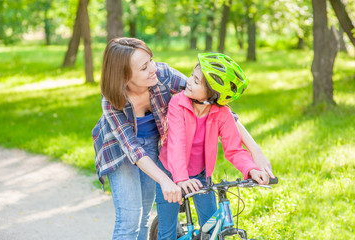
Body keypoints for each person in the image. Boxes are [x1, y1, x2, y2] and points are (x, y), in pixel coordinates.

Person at [92, 37, 273, 240]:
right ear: (124, 76)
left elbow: (219, 106)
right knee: (129, 219)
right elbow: (138, 148)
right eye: (144, 67)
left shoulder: (162, 75)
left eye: (151, 60)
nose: (153, 68)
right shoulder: (112, 100)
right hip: (120, 149)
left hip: (154, 144)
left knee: (143, 216)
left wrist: (254, 156)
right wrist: (170, 180)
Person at [155, 53, 270, 239]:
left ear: (212, 94)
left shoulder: (222, 114)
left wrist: (251, 170)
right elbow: (176, 144)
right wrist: (181, 179)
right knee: (167, 232)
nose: (189, 81)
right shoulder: (178, 103)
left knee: (212, 231)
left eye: (196, 81)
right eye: (192, 76)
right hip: (170, 171)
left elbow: (234, 150)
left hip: (200, 175)